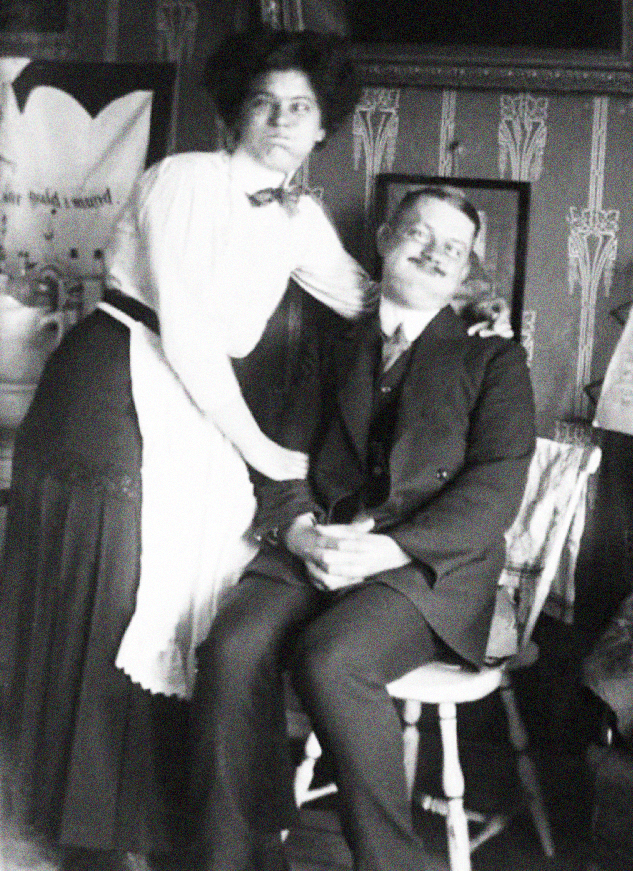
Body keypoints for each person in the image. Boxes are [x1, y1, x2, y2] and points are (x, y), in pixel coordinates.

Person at [0, 30, 507, 871]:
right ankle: (88, 836)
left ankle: (171, 829)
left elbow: (364, 296)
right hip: (116, 386)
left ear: (321, 129)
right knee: (113, 586)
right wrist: (268, 456)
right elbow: (192, 335)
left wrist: (465, 310)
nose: (280, 120)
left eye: (301, 108)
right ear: (236, 111)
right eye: (265, 102)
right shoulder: (184, 179)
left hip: (190, 406)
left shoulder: (298, 214)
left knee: (186, 597)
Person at [193, 185, 537, 871]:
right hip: (319, 549)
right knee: (232, 644)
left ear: (468, 268)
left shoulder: (493, 359)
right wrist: (297, 534)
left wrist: (384, 549)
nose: (435, 252)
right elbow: (282, 462)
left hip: (424, 569)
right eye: (419, 233)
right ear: (384, 238)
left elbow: (494, 492)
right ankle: (237, 860)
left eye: (454, 247)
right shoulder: (332, 346)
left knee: (334, 657)